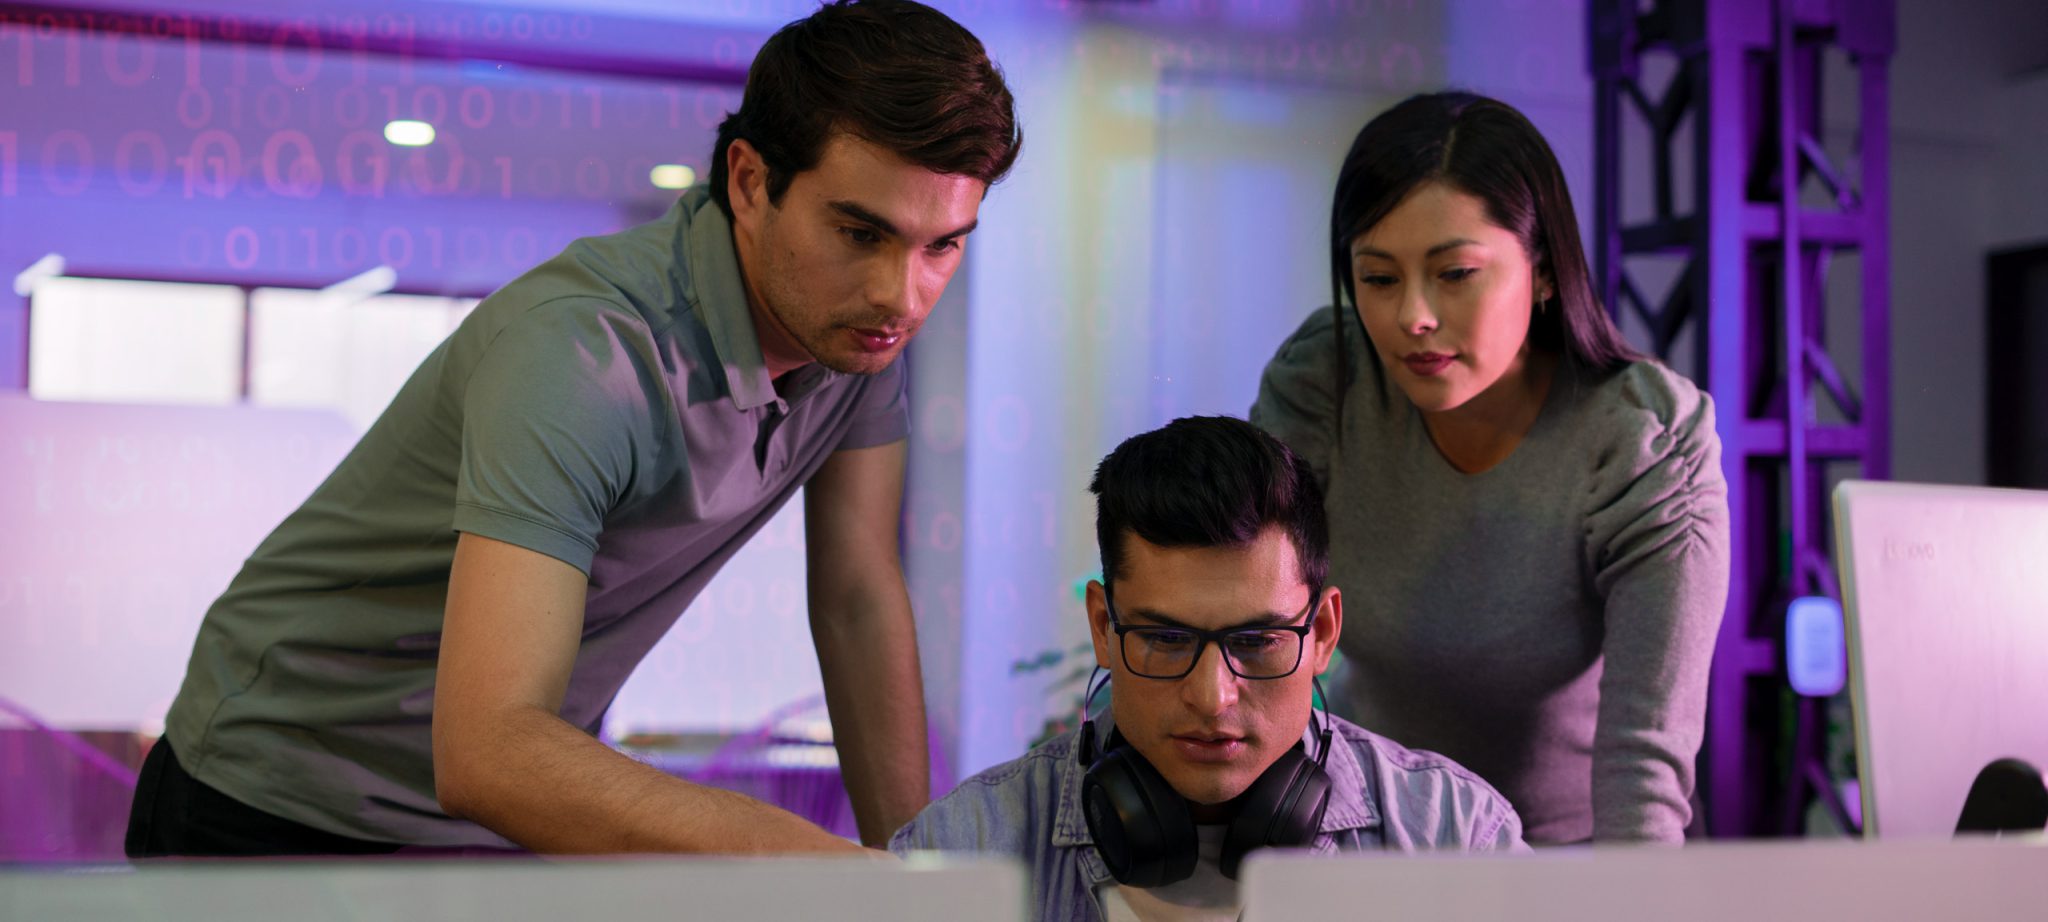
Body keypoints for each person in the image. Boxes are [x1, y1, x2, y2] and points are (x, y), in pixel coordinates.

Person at [126, 0, 1021, 858]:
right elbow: (488, 751)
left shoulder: (857, 341)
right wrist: (816, 866)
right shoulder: (584, 353)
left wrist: (918, 873)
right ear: (751, 183)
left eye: (942, 245)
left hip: (489, 816)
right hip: (275, 787)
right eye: (860, 233)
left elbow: (858, 595)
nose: (901, 297)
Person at [1250, 91, 1731, 845]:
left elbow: (1645, 768)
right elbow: (1249, 629)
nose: (1413, 316)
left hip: (1567, 857)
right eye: (1378, 278)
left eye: (1455, 273)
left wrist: (1625, 892)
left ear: (1543, 271)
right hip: (1366, 838)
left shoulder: (1643, 440)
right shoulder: (1324, 382)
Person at [892, 417, 1524, 921]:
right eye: (1166, 639)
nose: (1212, 696)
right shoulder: (964, 848)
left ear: (1323, 634)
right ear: (1104, 628)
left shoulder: (1454, 838)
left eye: (1258, 641)